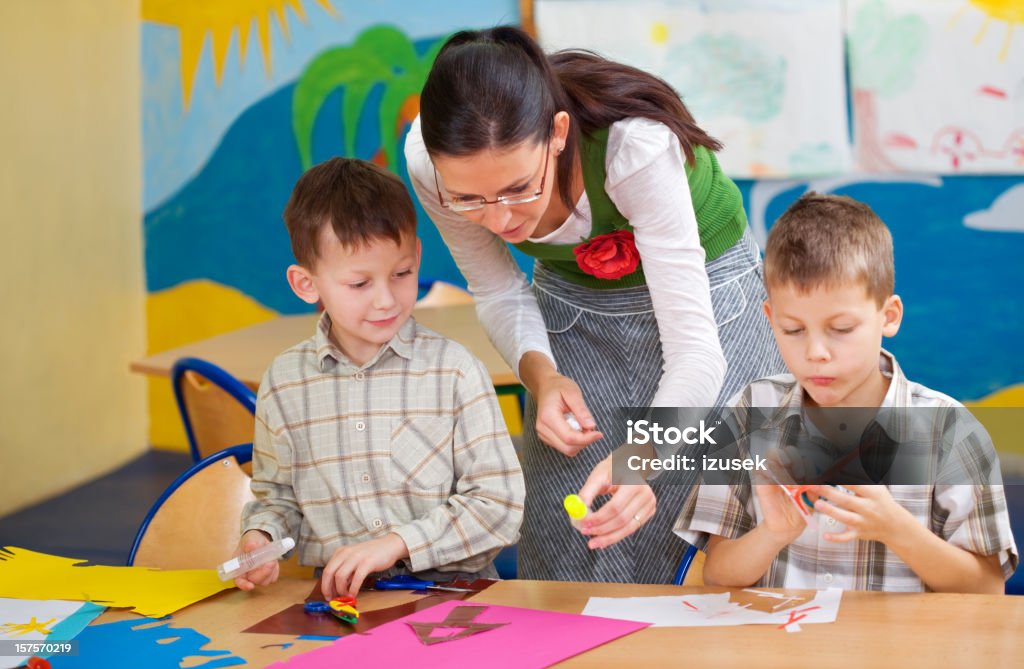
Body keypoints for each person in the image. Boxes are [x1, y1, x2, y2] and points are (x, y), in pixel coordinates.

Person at [404, 26, 784, 582]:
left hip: (708, 292)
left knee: (716, 506)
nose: (501, 220)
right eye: (469, 199)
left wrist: (641, 460)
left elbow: (698, 355)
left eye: (519, 188)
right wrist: (543, 377)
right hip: (574, 296)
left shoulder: (635, 148)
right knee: (574, 521)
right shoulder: (429, 163)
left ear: (558, 134)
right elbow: (499, 289)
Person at [674, 192, 1018, 592]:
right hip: (780, 653)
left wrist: (897, 529)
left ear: (888, 317)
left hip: (897, 654)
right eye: (793, 330)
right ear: (770, 318)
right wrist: (773, 533)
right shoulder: (752, 408)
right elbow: (717, 574)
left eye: (841, 330)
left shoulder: (951, 429)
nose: (816, 354)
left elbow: (987, 589)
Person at [234, 158, 525, 599]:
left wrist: (397, 545)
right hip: (341, 608)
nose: (386, 299)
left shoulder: (454, 372)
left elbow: (500, 505)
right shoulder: (285, 383)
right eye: (359, 284)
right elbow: (277, 497)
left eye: (401, 274)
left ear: (417, 256)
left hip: (456, 601)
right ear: (306, 284)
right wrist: (261, 537)